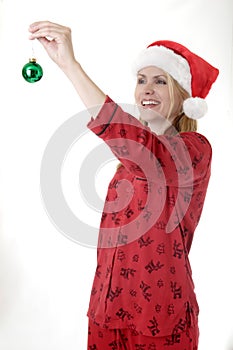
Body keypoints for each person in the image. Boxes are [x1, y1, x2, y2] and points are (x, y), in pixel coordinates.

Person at [29, 21, 219, 349]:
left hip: (161, 317)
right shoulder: (125, 163)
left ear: (184, 96)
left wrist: (71, 67)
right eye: (142, 80)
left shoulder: (194, 149)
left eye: (161, 81)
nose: (147, 89)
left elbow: (146, 152)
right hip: (107, 309)